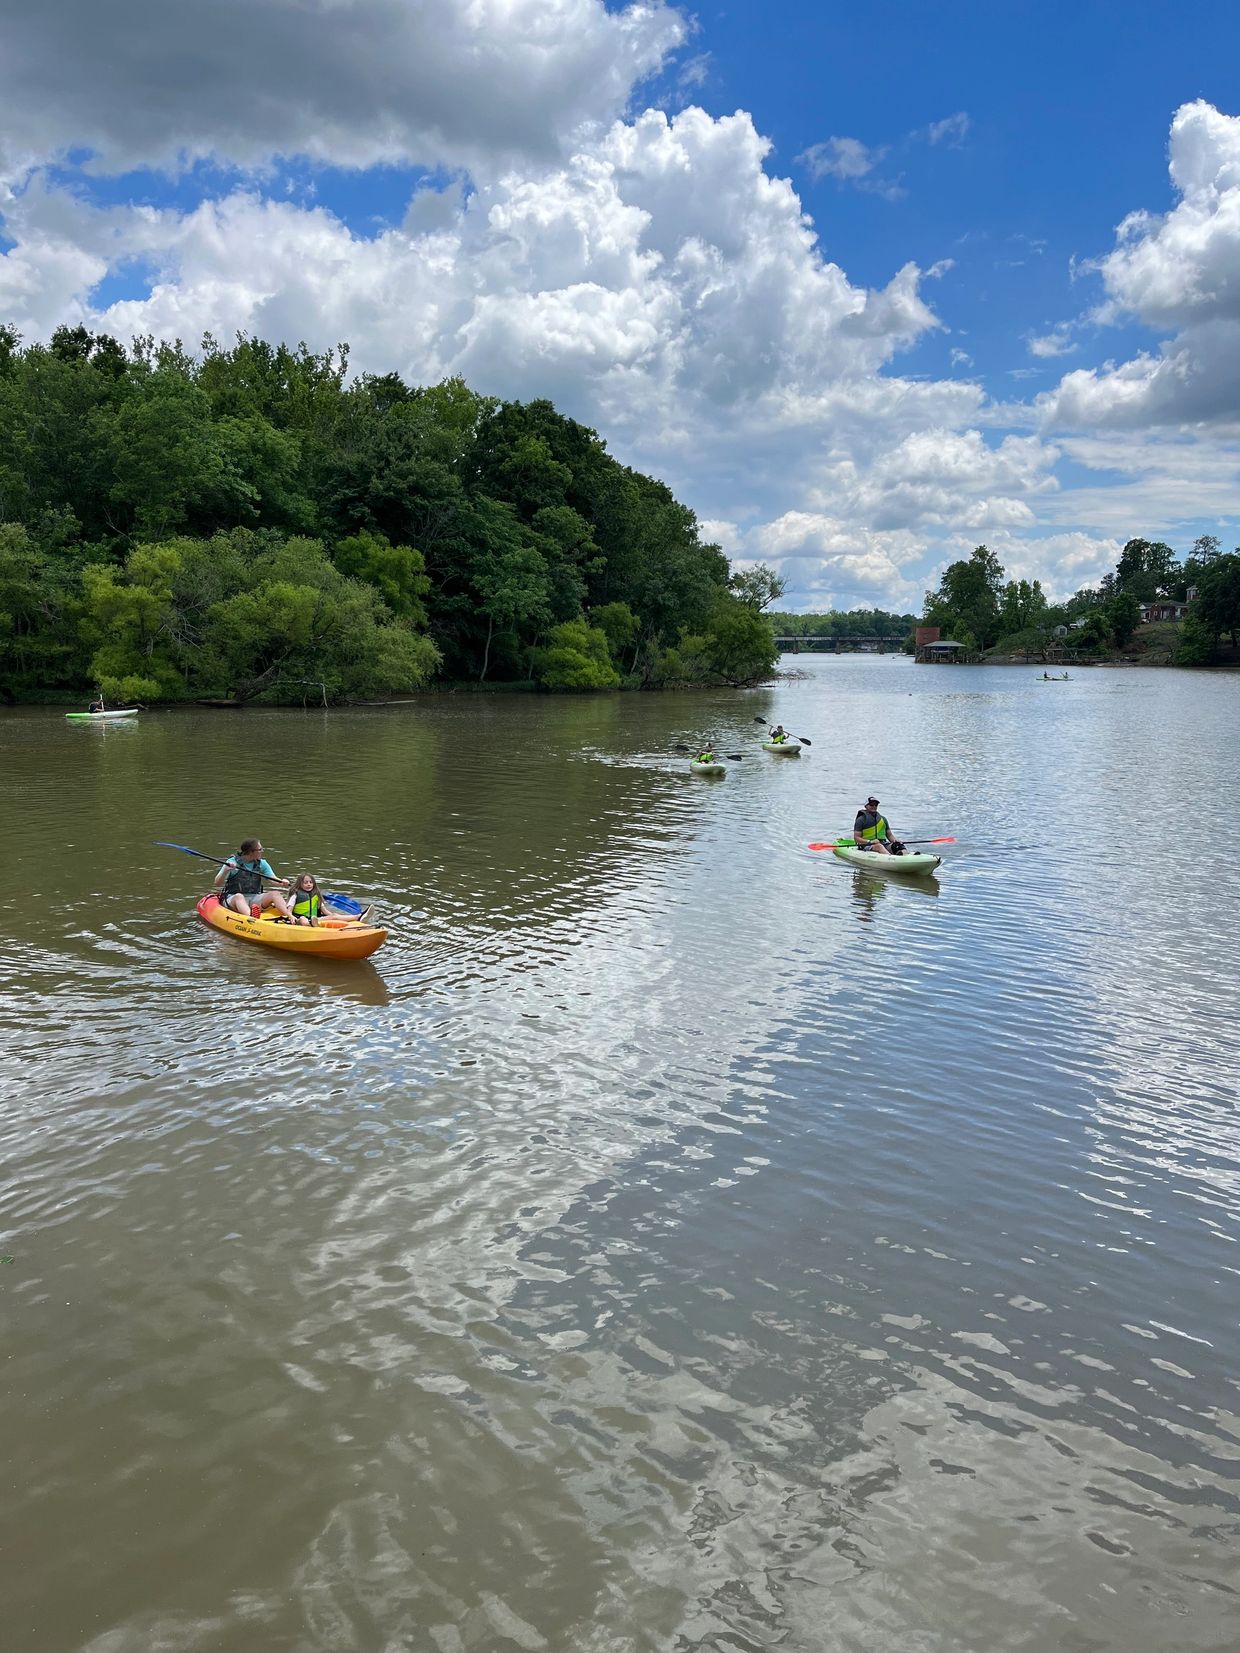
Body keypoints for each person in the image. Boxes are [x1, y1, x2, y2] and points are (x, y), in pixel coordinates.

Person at [213, 838, 294, 919]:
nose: (262, 851)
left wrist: (282, 882)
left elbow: (273, 879)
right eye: (260, 849)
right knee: (239, 896)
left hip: (254, 898)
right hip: (233, 898)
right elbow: (217, 883)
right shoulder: (232, 862)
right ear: (251, 852)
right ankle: (252, 918)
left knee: (275, 894)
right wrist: (226, 870)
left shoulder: (262, 863)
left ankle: (290, 916)